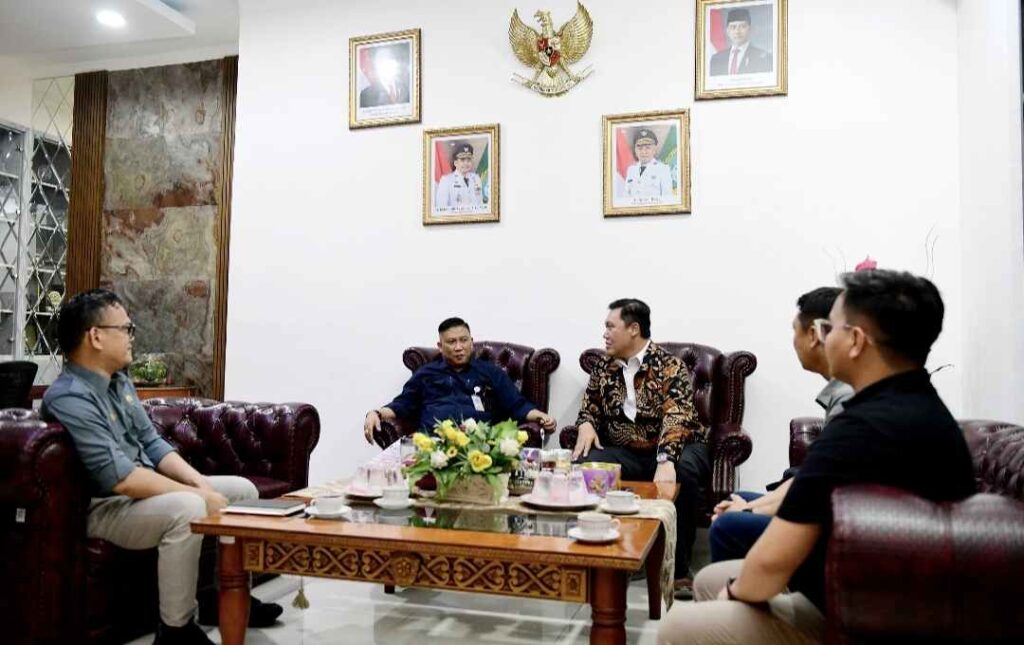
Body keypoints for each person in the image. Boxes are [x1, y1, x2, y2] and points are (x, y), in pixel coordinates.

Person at [657, 270, 975, 645]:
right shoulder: (921, 407)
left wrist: (734, 593)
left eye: (830, 328)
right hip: (886, 598)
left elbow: (772, 561)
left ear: (855, 340)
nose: (822, 338)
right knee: (711, 580)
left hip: (859, 617)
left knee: (678, 626)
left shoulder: (861, 427)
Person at [42, 289, 283, 645]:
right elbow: (121, 478)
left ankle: (224, 595)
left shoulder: (119, 381)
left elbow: (153, 444)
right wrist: (197, 495)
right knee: (188, 508)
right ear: (95, 336)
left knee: (242, 491)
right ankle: (175, 631)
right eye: (125, 329)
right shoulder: (70, 397)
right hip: (103, 507)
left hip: (138, 495)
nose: (131, 336)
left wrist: (202, 484)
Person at [571, 298, 709, 597]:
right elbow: (590, 406)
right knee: (586, 466)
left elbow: (678, 416)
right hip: (629, 449)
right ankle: (604, 555)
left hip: (679, 445)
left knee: (683, 471)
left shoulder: (670, 365)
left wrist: (666, 458)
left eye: (611, 326)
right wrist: (586, 423)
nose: (605, 334)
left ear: (633, 329)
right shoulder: (603, 367)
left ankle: (679, 570)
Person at [708, 287, 854, 563]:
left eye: (794, 330)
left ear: (815, 334)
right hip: (828, 508)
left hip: (835, 529)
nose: (793, 340)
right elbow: (809, 476)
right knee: (738, 499)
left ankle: (744, 588)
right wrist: (750, 507)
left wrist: (748, 512)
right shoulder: (845, 392)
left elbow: (817, 489)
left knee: (728, 525)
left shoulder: (849, 398)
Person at [363, 317, 556, 442]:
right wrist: (376, 413)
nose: (458, 347)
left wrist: (542, 416)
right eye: (451, 342)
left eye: (463, 340)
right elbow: (402, 405)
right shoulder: (426, 373)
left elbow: (517, 405)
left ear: (471, 342)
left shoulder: (490, 372)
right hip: (431, 444)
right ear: (440, 346)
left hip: (478, 446)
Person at [709, 8, 773, 76]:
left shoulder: (763, 57)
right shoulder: (716, 59)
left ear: (750, 29)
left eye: (742, 26)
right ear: (727, 31)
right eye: (733, 27)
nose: (737, 31)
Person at [623, 129, 673, 203]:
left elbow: (667, 199)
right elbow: (626, 197)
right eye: (640, 148)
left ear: (654, 149)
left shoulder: (663, 169)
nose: (643, 152)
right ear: (635, 150)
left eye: (648, 148)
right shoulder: (631, 170)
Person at [434, 142, 485, 213]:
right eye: (462, 160)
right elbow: (441, 209)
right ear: (455, 163)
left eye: (468, 160)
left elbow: (480, 204)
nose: (466, 163)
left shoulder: (476, 179)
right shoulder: (446, 181)